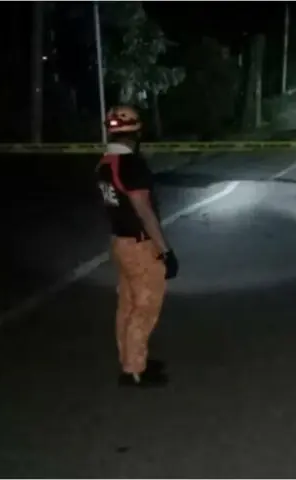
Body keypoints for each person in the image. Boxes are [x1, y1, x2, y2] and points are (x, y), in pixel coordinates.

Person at [95, 105, 179, 388]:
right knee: (145, 308)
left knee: (127, 306)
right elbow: (144, 211)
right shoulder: (132, 166)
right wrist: (165, 251)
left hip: (120, 242)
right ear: (137, 132)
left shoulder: (105, 163)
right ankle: (135, 370)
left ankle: (131, 358)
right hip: (140, 246)